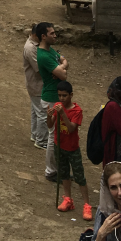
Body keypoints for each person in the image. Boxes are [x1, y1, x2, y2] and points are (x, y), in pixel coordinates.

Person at [47, 81, 93, 221]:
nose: (61, 99)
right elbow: (50, 126)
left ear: (71, 95)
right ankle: (68, 199)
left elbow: (72, 128)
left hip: (72, 149)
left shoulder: (77, 111)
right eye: (59, 95)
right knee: (64, 174)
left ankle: (87, 205)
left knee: (79, 176)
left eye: (64, 96)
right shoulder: (57, 106)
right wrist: (49, 116)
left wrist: (63, 114)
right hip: (59, 145)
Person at [36, 21, 68, 179]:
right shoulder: (43, 55)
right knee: (53, 135)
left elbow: (64, 61)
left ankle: (57, 168)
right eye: (52, 33)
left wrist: (63, 65)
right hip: (51, 99)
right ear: (43, 36)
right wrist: (61, 68)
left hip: (56, 97)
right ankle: (50, 171)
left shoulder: (50, 50)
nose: (55, 35)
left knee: (58, 134)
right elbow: (63, 74)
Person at [23, 24, 48, 147]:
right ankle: (42, 141)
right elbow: (39, 68)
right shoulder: (30, 48)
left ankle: (35, 135)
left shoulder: (34, 45)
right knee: (42, 113)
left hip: (35, 84)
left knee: (35, 111)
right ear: (34, 34)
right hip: (36, 84)